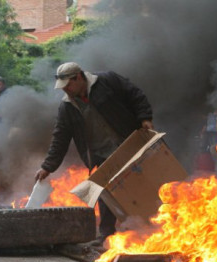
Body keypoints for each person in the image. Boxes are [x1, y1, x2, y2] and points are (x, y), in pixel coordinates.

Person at [35, 62, 154, 242]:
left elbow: (134, 94)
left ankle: (150, 226)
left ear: (79, 77)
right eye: (62, 87)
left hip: (126, 143)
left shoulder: (107, 81)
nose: (65, 90)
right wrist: (48, 167)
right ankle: (106, 234)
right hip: (100, 153)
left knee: (137, 185)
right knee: (104, 192)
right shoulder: (67, 107)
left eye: (68, 85)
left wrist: (144, 117)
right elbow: (60, 138)